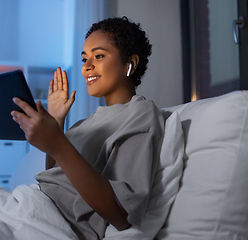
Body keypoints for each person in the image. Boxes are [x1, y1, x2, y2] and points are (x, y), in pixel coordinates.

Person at [11, 16, 164, 240]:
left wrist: (58, 143)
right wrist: (57, 122)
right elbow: (56, 175)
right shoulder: (86, 122)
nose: (86, 67)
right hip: (31, 205)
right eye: (84, 59)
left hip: (52, 223)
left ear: (130, 63)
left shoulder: (140, 114)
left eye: (99, 56)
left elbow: (122, 215)